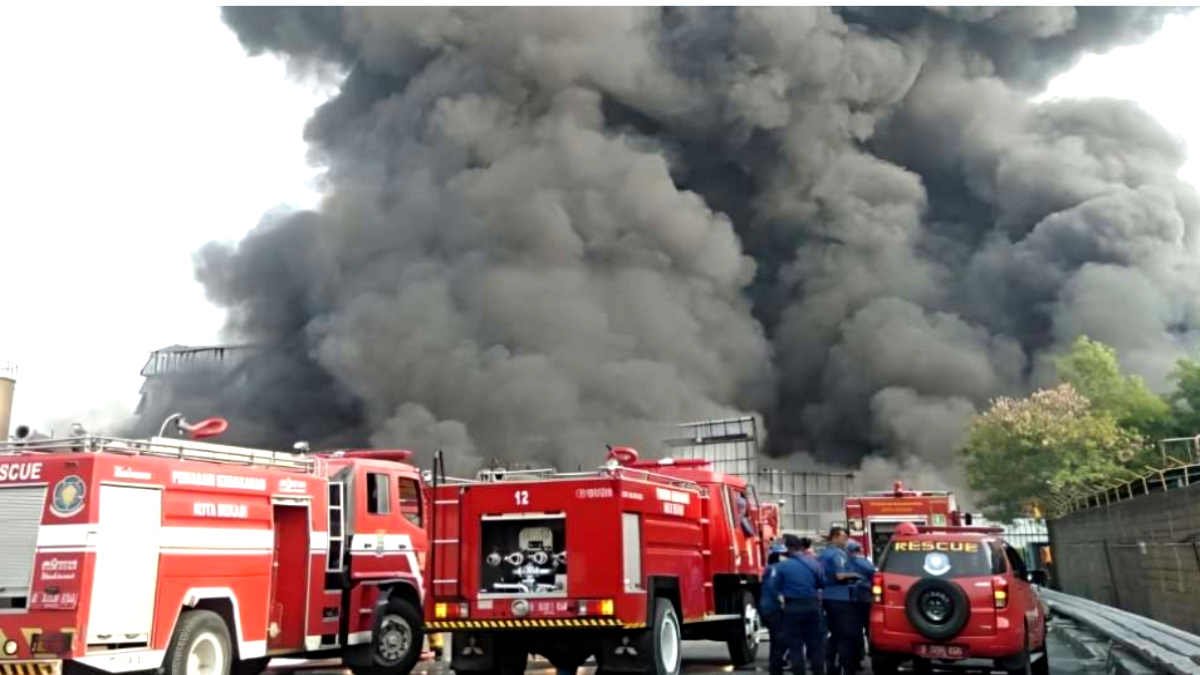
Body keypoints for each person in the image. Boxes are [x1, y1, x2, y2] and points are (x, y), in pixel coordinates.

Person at [765, 534, 825, 675]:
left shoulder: (781, 567)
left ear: (788, 549)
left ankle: (799, 672)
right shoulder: (815, 564)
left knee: (795, 645)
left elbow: (773, 588)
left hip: (792, 608)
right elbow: (822, 583)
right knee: (815, 645)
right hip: (812, 606)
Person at [819, 526, 862, 675]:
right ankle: (847, 667)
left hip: (827, 596)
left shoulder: (823, 553)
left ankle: (831, 666)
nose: (845, 540)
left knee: (834, 634)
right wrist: (855, 575)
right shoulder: (838, 554)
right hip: (840, 598)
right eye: (844, 537)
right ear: (835, 537)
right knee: (845, 634)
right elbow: (840, 575)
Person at [846, 540, 875, 671]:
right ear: (859, 550)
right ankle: (874, 656)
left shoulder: (847, 562)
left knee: (854, 631)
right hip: (866, 599)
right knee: (870, 629)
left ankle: (856, 660)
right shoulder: (866, 563)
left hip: (851, 600)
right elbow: (874, 577)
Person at [760, 542, 789, 675]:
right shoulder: (775, 569)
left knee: (776, 637)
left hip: (768, 607)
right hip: (773, 607)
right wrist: (781, 598)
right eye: (784, 554)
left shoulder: (770, 568)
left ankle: (776, 663)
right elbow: (773, 587)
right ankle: (776, 666)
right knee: (780, 637)